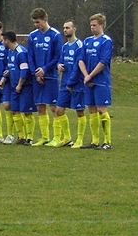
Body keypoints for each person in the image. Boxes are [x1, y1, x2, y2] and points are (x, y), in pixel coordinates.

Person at [26, 7, 63, 146]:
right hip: (37, 77)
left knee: (54, 107)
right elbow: (30, 56)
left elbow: (58, 56)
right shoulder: (32, 36)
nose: (36, 25)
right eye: (35, 23)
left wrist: (45, 69)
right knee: (40, 107)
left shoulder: (55, 35)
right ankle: (44, 137)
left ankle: (58, 137)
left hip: (51, 76)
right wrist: (36, 72)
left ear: (45, 19)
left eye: (38, 22)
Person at [48, 20, 88, 148]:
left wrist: (72, 82)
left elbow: (79, 66)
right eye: (64, 28)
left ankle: (80, 140)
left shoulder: (80, 46)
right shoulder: (64, 47)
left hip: (77, 84)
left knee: (79, 111)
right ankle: (66, 138)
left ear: (74, 29)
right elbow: (60, 61)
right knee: (59, 111)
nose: (65, 30)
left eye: (68, 28)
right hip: (65, 84)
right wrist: (59, 65)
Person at [78, 13, 114, 150]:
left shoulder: (106, 41)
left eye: (95, 25)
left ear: (102, 25)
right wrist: (86, 75)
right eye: (91, 25)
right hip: (88, 81)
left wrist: (91, 75)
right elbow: (80, 60)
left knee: (101, 110)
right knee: (91, 110)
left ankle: (107, 141)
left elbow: (104, 62)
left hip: (101, 81)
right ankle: (95, 141)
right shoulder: (87, 41)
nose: (92, 28)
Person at [0, 30, 36, 145]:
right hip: (13, 86)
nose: (2, 43)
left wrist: (20, 84)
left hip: (24, 86)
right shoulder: (10, 52)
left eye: (3, 40)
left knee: (26, 112)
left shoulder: (21, 52)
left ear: (7, 40)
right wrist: (4, 78)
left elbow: (24, 70)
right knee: (15, 111)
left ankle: (29, 138)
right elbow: (11, 69)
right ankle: (21, 136)